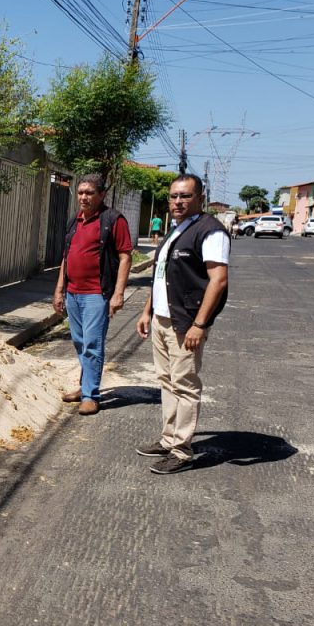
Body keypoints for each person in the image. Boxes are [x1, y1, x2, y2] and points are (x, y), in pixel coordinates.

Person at [135, 173, 230, 474]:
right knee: (167, 382)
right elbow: (161, 276)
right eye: (174, 196)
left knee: (185, 385)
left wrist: (199, 324)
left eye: (185, 196)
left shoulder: (210, 231)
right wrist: (147, 310)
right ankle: (168, 439)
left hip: (186, 323)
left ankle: (181, 450)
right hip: (163, 319)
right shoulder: (175, 230)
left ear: (200, 198)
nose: (178, 201)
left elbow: (219, 280)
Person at [53, 174, 133, 415]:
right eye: (80, 193)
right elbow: (66, 257)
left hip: (97, 294)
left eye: (89, 193)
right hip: (73, 293)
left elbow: (125, 256)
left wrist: (119, 293)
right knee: (79, 343)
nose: (84, 197)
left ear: (101, 195)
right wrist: (59, 290)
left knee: (92, 344)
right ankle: (84, 385)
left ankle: (91, 395)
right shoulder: (74, 222)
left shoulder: (113, 220)